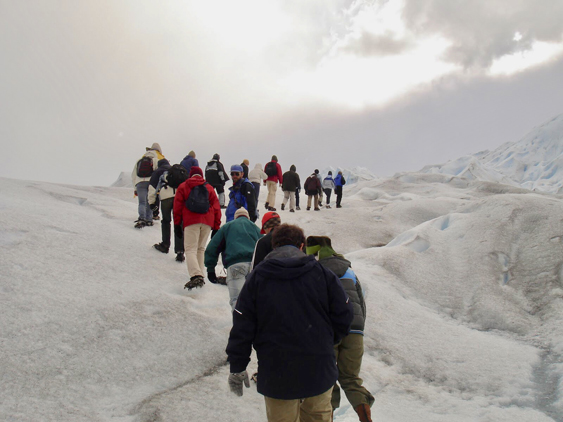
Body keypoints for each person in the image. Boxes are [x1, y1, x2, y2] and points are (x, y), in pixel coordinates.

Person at [226, 224, 353, 422]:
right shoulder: (322, 274)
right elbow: (344, 314)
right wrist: (327, 341)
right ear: (301, 246)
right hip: (319, 366)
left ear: (274, 246)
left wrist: (237, 365)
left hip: (277, 370)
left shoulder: (257, 279)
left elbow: (242, 324)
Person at [306, 236, 375, 422]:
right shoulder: (349, 271)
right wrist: (358, 329)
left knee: (328, 380)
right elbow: (361, 301)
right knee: (351, 378)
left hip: (331, 332)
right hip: (355, 331)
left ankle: (328, 416)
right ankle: (365, 416)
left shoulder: (316, 271)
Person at [173, 166, 221, 290]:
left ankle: (196, 275)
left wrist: (177, 224)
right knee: (200, 249)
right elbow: (216, 208)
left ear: (191, 175)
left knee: (190, 249)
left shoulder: (184, 186)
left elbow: (177, 206)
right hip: (207, 222)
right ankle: (201, 275)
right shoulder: (209, 188)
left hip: (191, 221)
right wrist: (216, 226)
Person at [205, 208, 261, 310]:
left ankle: (240, 324)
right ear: (247, 217)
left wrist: (210, 269)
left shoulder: (227, 227)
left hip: (235, 266)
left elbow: (213, 247)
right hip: (254, 268)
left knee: (237, 300)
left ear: (235, 217)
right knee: (254, 301)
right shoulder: (255, 228)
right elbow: (263, 246)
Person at [148, 159, 186, 262]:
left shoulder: (158, 172)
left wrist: (152, 203)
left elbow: (152, 188)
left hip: (165, 198)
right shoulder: (177, 171)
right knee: (178, 223)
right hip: (178, 198)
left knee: (166, 221)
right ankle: (180, 252)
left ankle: (165, 245)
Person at [132, 143, 164, 228]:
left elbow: (134, 174)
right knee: (150, 201)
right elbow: (158, 172)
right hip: (150, 182)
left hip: (140, 183)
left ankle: (142, 218)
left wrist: (135, 187)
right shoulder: (156, 160)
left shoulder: (140, 160)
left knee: (142, 202)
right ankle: (149, 220)